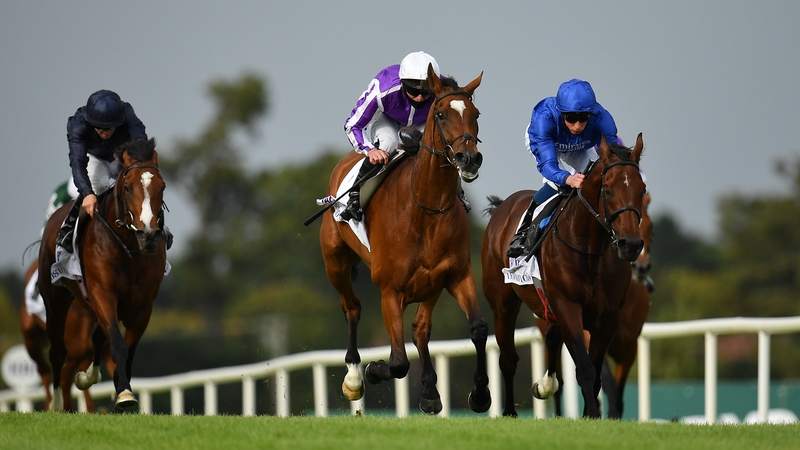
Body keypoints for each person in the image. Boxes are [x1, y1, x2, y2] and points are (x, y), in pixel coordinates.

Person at [507, 79, 619, 257]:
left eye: (583, 119)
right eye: (571, 118)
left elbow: (613, 159)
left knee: (599, 177)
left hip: (578, 146)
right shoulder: (544, 119)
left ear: (592, 114)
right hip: (547, 143)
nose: (577, 125)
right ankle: (523, 232)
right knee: (558, 185)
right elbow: (548, 165)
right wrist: (568, 178)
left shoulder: (603, 119)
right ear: (561, 114)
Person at [340, 51, 441, 221]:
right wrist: (370, 150)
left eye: (426, 93)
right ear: (402, 84)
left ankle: (458, 193)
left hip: (423, 120)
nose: (419, 98)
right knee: (389, 143)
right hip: (388, 117)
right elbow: (352, 125)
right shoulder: (383, 90)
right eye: (413, 91)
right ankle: (354, 195)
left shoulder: (441, 89)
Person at [56, 89, 148, 253]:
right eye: (100, 128)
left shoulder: (127, 113)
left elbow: (141, 143)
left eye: (111, 128)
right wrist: (87, 193)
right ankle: (68, 231)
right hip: (95, 158)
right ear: (91, 123)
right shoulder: (78, 124)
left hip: (122, 155)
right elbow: (78, 162)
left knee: (142, 185)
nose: (106, 132)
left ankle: (160, 229)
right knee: (99, 188)